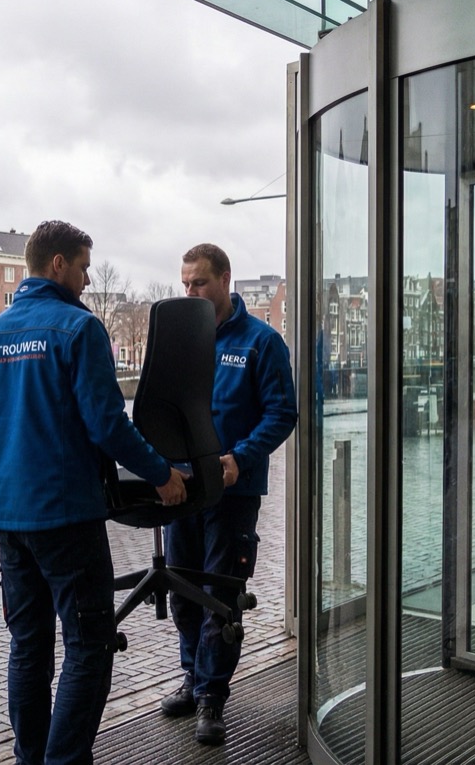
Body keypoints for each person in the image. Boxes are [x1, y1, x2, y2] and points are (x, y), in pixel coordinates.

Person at [0, 219, 188, 765]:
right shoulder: (78, 329)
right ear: (58, 265)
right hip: (65, 515)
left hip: (9, 517)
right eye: (85, 268)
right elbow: (108, 425)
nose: (89, 281)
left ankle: (31, 758)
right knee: (89, 646)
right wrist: (161, 474)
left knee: (28, 648)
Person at [161, 243, 298, 746]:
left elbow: (282, 413)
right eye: (184, 284)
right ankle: (193, 678)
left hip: (233, 492)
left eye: (198, 282)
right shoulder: (184, 340)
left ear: (225, 280)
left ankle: (212, 699)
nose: (190, 292)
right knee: (182, 589)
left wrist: (240, 458)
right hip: (183, 489)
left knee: (220, 595)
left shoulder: (263, 342)